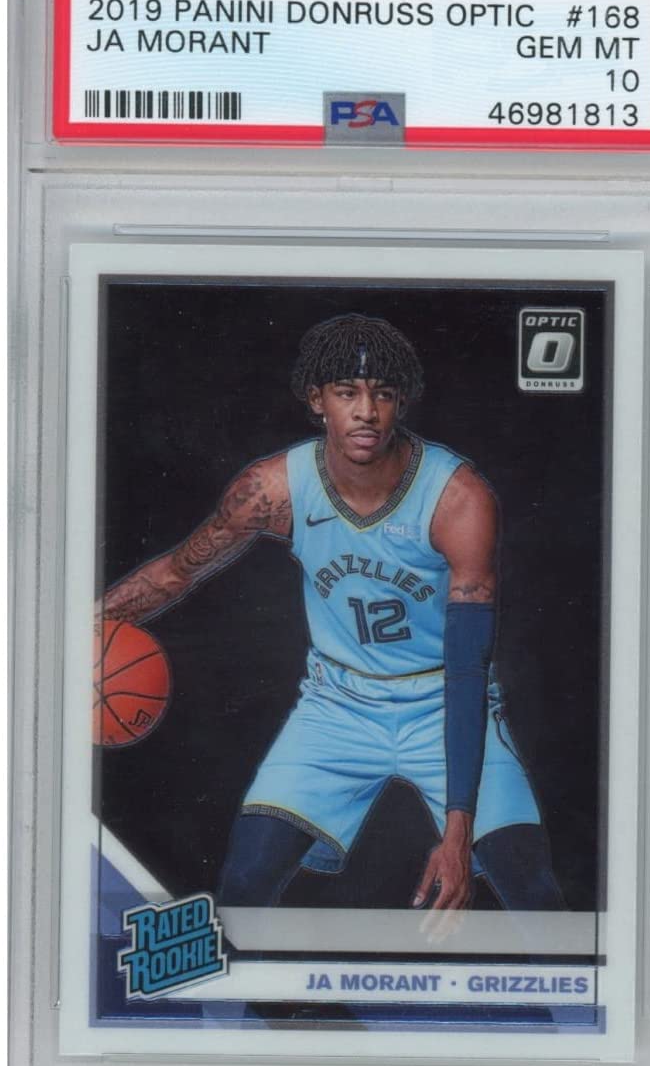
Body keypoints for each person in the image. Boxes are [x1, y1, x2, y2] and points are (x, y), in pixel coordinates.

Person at [102, 313, 562, 914]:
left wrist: (457, 833)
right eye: (347, 393)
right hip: (338, 706)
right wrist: (77, 626)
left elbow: (468, 668)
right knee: (244, 885)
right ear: (317, 400)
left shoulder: (457, 498)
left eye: (383, 394)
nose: (366, 412)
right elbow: (177, 571)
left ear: (401, 403)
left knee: (533, 891)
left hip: (441, 702)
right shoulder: (274, 489)